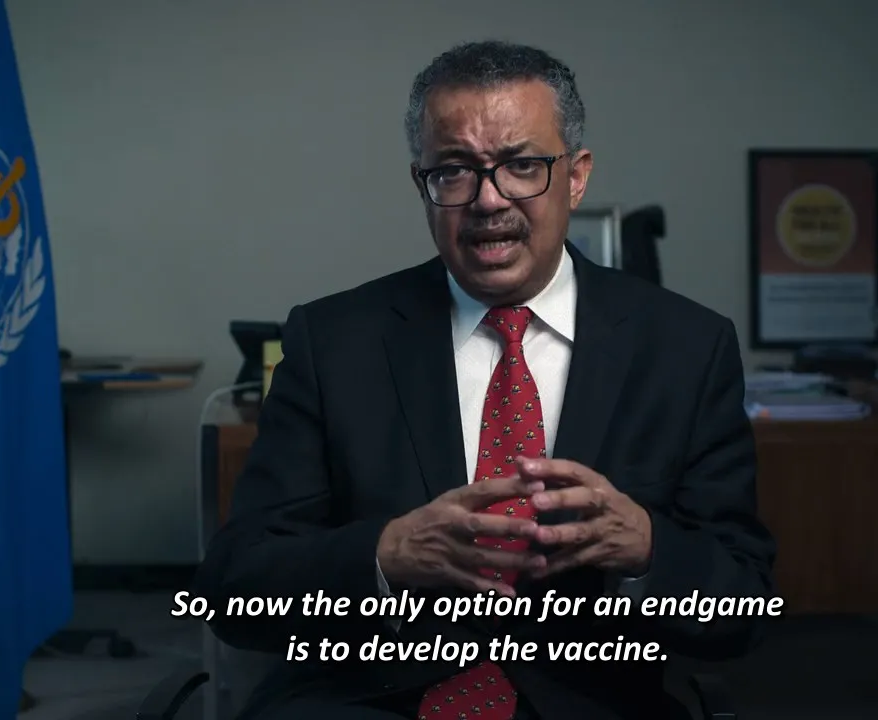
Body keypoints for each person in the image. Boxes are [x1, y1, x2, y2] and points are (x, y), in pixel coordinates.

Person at [192, 40, 776, 720]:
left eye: (522, 165)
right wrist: (384, 555)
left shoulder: (686, 348)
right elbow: (234, 591)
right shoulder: (333, 342)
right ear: (422, 185)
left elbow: (743, 609)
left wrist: (647, 549)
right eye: (454, 171)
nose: (488, 200)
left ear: (577, 176)